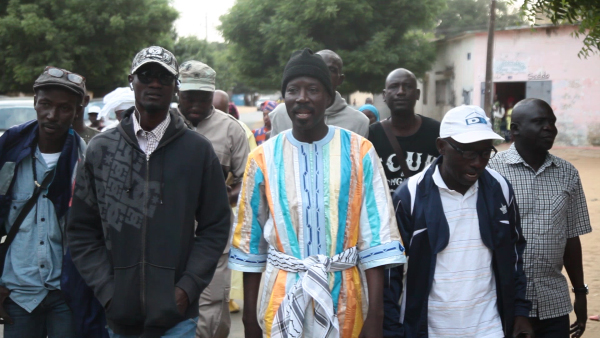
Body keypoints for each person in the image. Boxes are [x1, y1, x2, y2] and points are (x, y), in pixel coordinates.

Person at [229, 48, 406, 338]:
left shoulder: (359, 151)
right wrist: (250, 320)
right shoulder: (262, 158)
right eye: (292, 89)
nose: (302, 97)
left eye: (312, 89)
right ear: (284, 96)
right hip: (282, 297)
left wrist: (376, 315)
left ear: (327, 95)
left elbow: (377, 237)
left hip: (345, 298)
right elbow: (249, 244)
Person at [67, 46, 231, 338]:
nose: (155, 83)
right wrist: (108, 291)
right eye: (146, 75)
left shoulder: (198, 150)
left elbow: (215, 227)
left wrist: (187, 288)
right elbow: (81, 230)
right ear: (132, 80)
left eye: (164, 77)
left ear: (175, 87)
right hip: (119, 317)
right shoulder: (101, 150)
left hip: (177, 319)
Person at [394, 105, 533, 338]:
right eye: (468, 152)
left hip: (489, 328)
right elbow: (392, 273)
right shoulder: (410, 195)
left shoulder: (499, 188)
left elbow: (514, 254)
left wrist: (519, 312)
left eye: (485, 153)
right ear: (442, 146)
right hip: (430, 330)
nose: (478, 163)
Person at [488, 98, 592, 338]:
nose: (549, 128)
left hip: (553, 304)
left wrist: (580, 293)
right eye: (539, 122)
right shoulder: (492, 172)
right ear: (515, 129)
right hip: (503, 302)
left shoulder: (567, 173)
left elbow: (571, 238)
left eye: (552, 122)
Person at [0, 67, 88, 337]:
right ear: (35, 102)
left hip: (67, 293)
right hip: (18, 293)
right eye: (46, 104)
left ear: (76, 111)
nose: (52, 115)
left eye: (64, 108)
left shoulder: (89, 159)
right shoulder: (8, 152)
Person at [177, 60, 250, 338]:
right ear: (177, 93)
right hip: (168, 242)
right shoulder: (161, 125)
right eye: (189, 96)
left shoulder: (231, 130)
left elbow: (248, 183)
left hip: (212, 242)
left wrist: (216, 199)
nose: (196, 103)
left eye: (204, 97)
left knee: (210, 317)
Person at [368, 68, 440, 193]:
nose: (401, 92)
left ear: (417, 94)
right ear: (384, 95)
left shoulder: (436, 132)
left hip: (424, 211)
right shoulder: (372, 135)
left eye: (407, 86)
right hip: (386, 212)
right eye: (394, 86)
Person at [269, 49, 370, 137]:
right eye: (293, 90)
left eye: (331, 70)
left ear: (340, 79)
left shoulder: (359, 121)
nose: (302, 98)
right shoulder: (280, 114)